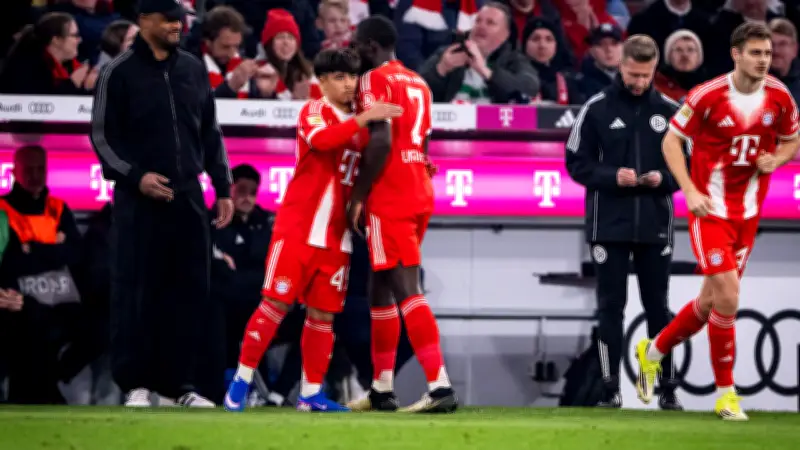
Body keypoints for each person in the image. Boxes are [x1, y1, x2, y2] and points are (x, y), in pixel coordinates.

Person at [635, 22, 800, 421]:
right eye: (756, 53)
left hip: (748, 215)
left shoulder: (780, 96)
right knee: (727, 295)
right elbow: (670, 140)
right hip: (710, 210)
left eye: (767, 53)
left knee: (711, 302)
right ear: (736, 54)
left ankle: (652, 351)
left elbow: (792, 139)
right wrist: (690, 191)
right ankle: (726, 394)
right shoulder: (707, 95)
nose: (764, 60)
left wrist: (777, 159)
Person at [223, 48, 403, 413]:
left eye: (352, 77)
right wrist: (364, 118)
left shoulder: (364, 122)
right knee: (275, 304)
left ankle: (309, 395)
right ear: (321, 81)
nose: (348, 84)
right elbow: (323, 141)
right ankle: (240, 382)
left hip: (337, 238)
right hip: (298, 229)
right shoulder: (314, 110)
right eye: (339, 77)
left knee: (323, 316)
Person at [89, 0, 234, 408]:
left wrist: (222, 186)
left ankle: (180, 385)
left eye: (180, 19)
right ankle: (135, 384)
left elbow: (210, 131)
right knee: (135, 291)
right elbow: (101, 137)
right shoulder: (117, 72)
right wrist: (136, 177)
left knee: (189, 290)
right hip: (138, 199)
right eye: (169, 19)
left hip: (188, 196)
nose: (177, 26)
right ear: (144, 21)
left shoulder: (193, 68)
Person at [565, 35, 683, 410]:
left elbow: (690, 166)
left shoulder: (671, 111)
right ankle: (609, 390)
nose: (639, 82)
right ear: (622, 66)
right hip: (608, 225)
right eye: (633, 74)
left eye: (646, 75)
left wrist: (664, 179)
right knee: (610, 307)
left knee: (658, 307)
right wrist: (612, 176)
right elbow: (575, 162)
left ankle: (668, 389)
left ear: (655, 70)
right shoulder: (596, 108)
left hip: (655, 224)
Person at [347, 15, 458, 413]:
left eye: (357, 45)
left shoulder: (373, 80)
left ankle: (439, 385)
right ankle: (382, 388)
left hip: (390, 193)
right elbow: (423, 142)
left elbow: (380, 141)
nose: (353, 52)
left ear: (372, 46)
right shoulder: (419, 82)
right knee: (379, 286)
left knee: (406, 287)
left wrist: (358, 195)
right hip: (419, 188)